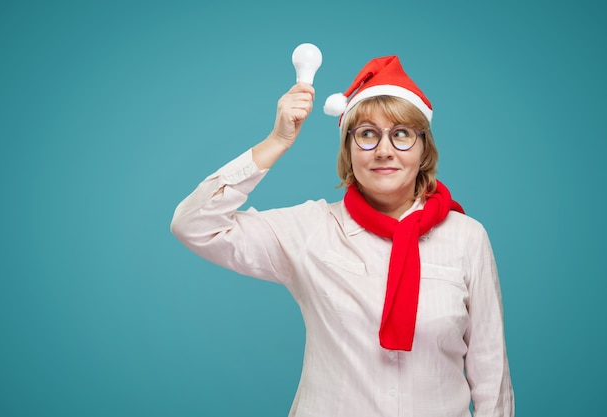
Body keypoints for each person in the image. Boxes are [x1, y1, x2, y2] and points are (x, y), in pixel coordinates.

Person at [171, 54, 514, 416]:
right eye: (367, 134)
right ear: (349, 151)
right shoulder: (310, 229)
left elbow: (491, 372)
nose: (384, 150)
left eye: (401, 135)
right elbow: (193, 224)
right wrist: (277, 140)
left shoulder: (467, 238)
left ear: (423, 148)